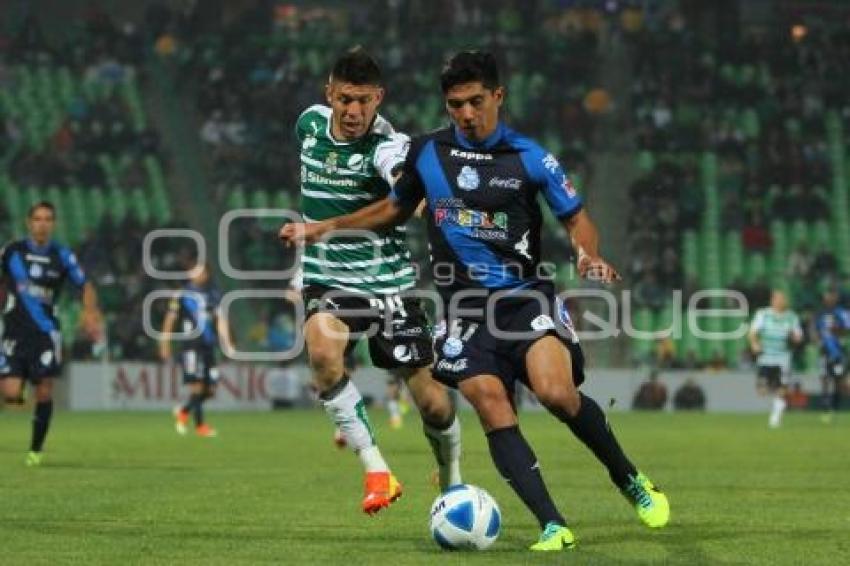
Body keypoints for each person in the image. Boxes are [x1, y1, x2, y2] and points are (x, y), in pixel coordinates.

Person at [281, 50, 669, 551]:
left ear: (498, 97)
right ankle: (553, 524)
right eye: (455, 104)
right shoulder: (428, 152)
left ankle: (630, 479)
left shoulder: (530, 156)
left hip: (523, 297)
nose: (465, 113)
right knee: (489, 404)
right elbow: (393, 209)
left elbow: (575, 216)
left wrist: (588, 254)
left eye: (475, 101)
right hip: (464, 310)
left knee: (555, 393)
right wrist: (326, 227)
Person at [287, 47, 462, 515]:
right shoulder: (307, 124)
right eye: (345, 99)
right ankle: (377, 470)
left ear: (379, 98)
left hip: (389, 284)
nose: (354, 111)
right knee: (323, 354)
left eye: (364, 101)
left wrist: (427, 205)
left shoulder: (389, 145)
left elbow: (403, 181)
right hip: (329, 279)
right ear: (329, 95)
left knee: (434, 406)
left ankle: (452, 480)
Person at [0, 201, 102, 466]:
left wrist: (88, 312)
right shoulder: (12, 251)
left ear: (53, 224)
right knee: (10, 393)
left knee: (45, 391)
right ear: (28, 222)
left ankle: (35, 450)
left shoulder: (63, 255)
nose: (42, 224)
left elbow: (86, 286)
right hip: (14, 332)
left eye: (47, 219)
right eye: (37, 219)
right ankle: (19, 393)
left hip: (46, 333)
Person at [159, 262, 232, 437]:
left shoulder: (213, 295)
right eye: (193, 269)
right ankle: (200, 427)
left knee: (211, 390)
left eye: (199, 270)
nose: (194, 272)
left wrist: (227, 342)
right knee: (197, 387)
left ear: (206, 274)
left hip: (208, 346)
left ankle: (184, 410)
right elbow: (170, 320)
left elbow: (220, 320)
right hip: (191, 346)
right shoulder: (181, 295)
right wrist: (164, 344)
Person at [748, 290, 803, 428]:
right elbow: (752, 332)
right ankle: (778, 402)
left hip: (783, 357)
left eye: (782, 299)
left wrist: (795, 338)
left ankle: (776, 415)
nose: (780, 301)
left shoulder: (791, 317)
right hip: (766, 356)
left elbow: (798, 336)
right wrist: (754, 344)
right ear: (772, 300)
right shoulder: (763, 314)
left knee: (782, 387)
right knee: (762, 390)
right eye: (777, 299)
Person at [814, 289, 850, 423]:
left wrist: (838, 330)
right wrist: (817, 340)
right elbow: (816, 330)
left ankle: (834, 407)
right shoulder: (820, 314)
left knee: (838, 381)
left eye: (831, 295)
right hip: (824, 352)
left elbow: (847, 329)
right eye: (827, 295)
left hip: (838, 353)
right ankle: (825, 408)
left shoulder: (842, 313)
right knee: (824, 379)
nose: (828, 298)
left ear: (836, 298)